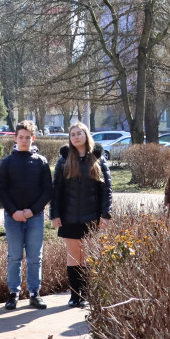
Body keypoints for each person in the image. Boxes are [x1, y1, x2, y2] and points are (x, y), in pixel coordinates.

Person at [51, 122, 113, 307]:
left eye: (80, 133)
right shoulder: (63, 161)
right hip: (68, 217)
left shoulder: (98, 159)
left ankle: (85, 294)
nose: (76, 136)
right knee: (73, 255)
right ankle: (74, 295)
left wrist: (105, 214)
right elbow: (56, 190)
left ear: (86, 135)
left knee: (86, 255)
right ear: (69, 139)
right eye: (73, 134)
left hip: (91, 216)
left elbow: (106, 189)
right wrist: (55, 214)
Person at [0, 120, 53, 310]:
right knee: (14, 256)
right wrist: (14, 212)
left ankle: (34, 294)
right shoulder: (6, 162)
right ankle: (13, 293)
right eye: (21, 137)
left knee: (35, 257)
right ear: (15, 138)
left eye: (28, 138)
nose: (24, 140)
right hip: (13, 218)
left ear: (33, 138)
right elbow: (1, 190)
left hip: (35, 217)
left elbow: (47, 190)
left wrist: (32, 211)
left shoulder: (41, 162)